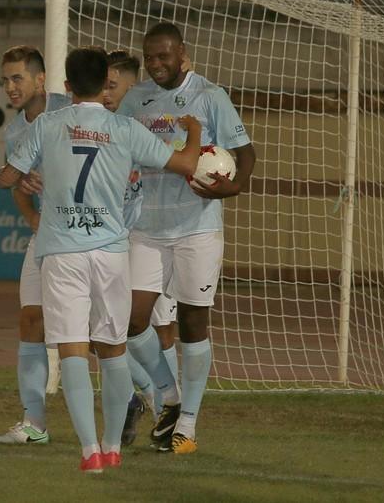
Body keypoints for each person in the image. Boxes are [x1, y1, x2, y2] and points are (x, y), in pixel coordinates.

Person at [0, 46, 201, 473]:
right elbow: (184, 162)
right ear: (103, 81)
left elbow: (7, 177)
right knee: (111, 350)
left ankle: (89, 451)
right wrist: (195, 133)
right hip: (109, 253)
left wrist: (24, 176)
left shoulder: (48, 124)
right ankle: (113, 446)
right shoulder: (124, 128)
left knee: (71, 349)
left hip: (61, 252)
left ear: (66, 87)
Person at [117, 22, 256, 455]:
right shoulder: (135, 99)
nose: (155, 64)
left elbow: (245, 152)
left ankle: (188, 423)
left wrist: (235, 185)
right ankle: (169, 397)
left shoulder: (210, 96)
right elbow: (116, 145)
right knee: (131, 321)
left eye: (163, 56)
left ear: (183, 54)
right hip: (146, 228)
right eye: (149, 57)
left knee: (194, 323)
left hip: (197, 226)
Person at [0, 45, 69, 445]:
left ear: (40, 79)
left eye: (17, 77)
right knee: (30, 319)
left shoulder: (72, 109)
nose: (10, 86)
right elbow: (14, 185)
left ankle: (135, 403)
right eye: (5, 79)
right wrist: (29, 212)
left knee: (99, 331)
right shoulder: (16, 130)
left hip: (86, 235)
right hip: (45, 234)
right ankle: (34, 423)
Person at [104, 50, 179, 444]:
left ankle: (170, 414)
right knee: (106, 325)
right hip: (117, 239)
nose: (106, 92)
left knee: (161, 327)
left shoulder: (155, 125)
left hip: (155, 238)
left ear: (132, 87)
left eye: (113, 85)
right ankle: (148, 399)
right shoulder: (105, 127)